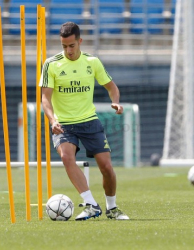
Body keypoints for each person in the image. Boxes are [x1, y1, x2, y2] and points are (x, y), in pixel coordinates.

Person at [39, 22, 129, 221]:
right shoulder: (51, 64)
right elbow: (45, 98)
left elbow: (112, 87)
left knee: (106, 167)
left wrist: (115, 103)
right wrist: (52, 120)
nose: (68, 51)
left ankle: (112, 208)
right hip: (63, 123)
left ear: (80, 41)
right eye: (64, 46)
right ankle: (90, 204)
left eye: (71, 46)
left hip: (89, 121)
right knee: (66, 157)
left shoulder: (92, 62)